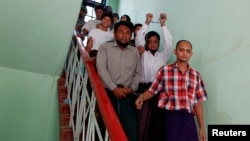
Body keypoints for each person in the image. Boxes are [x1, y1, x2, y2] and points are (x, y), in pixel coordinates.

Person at [135, 39, 208, 141]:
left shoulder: (196, 75)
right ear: (175, 51)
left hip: (188, 119)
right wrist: (142, 97)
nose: (184, 53)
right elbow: (153, 90)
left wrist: (202, 128)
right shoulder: (165, 70)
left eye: (188, 51)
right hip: (171, 118)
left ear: (191, 54)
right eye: (181, 50)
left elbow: (198, 103)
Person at [96, 21, 142, 141]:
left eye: (128, 33)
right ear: (115, 34)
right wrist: (114, 88)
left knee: (130, 129)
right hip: (108, 93)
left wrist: (131, 88)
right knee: (105, 127)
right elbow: (101, 69)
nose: (124, 35)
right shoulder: (105, 47)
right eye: (121, 32)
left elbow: (138, 73)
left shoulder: (135, 51)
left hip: (127, 94)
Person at [135, 13, 173, 141]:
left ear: (158, 43)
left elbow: (169, 44)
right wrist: (147, 22)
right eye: (149, 42)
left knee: (158, 122)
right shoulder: (142, 54)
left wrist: (163, 25)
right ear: (146, 43)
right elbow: (139, 38)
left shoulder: (163, 56)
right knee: (143, 121)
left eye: (155, 42)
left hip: (160, 91)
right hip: (144, 89)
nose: (152, 44)